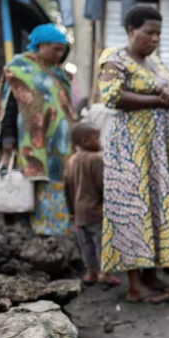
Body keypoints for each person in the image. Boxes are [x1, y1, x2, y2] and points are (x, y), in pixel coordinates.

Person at [98, 5, 169, 304]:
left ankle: (152, 277)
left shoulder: (157, 65)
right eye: (149, 32)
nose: (155, 39)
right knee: (133, 209)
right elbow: (112, 96)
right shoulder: (115, 58)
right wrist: (157, 100)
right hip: (130, 150)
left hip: (159, 150)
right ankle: (135, 285)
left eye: (158, 34)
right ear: (130, 30)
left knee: (154, 208)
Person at [0, 23, 78, 234]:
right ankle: (32, 236)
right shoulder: (19, 68)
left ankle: (56, 234)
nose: (60, 55)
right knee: (32, 183)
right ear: (41, 46)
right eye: (56, 49)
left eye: (62, 50)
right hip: (30, 143)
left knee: (58, 183)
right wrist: (7, 138)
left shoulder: (59, 74)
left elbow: (67, 108)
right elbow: (9, 105)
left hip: (60, 145)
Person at [64, 122, 120, 286]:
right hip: (96, 211)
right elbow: (103, 186)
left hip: (79, 212)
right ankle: (104, 273)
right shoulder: (96, 160)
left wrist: (71, 210)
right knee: (101, 243)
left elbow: (67, 187)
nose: (100, 142)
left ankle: (90, 272)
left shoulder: (71, 160)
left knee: (85, 244)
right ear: (85, 141)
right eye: (96, 138)